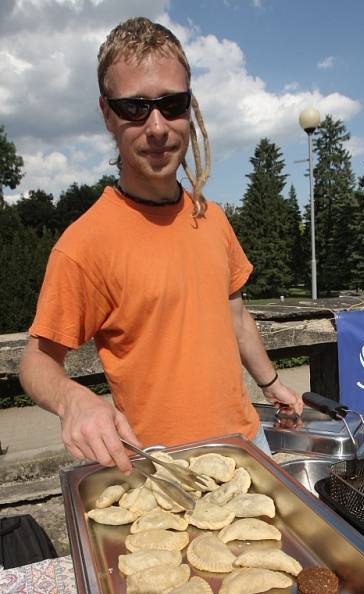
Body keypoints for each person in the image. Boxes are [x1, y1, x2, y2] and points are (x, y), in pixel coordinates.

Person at [19, 16, 303, 475]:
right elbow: (35, 362)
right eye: (134, 107)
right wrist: (73, 398)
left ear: (189, 108)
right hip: (165, 472)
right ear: (106, 113)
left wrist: (271, 383)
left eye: (171, 104)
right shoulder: (84, 245)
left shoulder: (210, 217)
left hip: (250, 447)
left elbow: (235, 313)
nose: (156, 127)